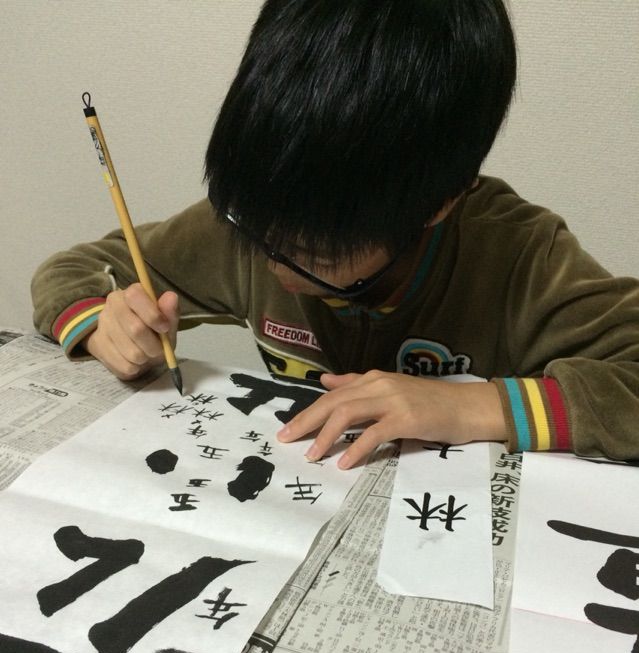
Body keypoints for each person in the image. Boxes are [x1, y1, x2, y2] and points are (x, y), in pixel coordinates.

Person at [31, 0, 639, 468]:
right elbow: (73, 269)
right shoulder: (255, 224)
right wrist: (104, 322)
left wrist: (473, 406)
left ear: (439, 203)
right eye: (256, 231)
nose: (274, 268)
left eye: (314, 254)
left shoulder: (518, 257)